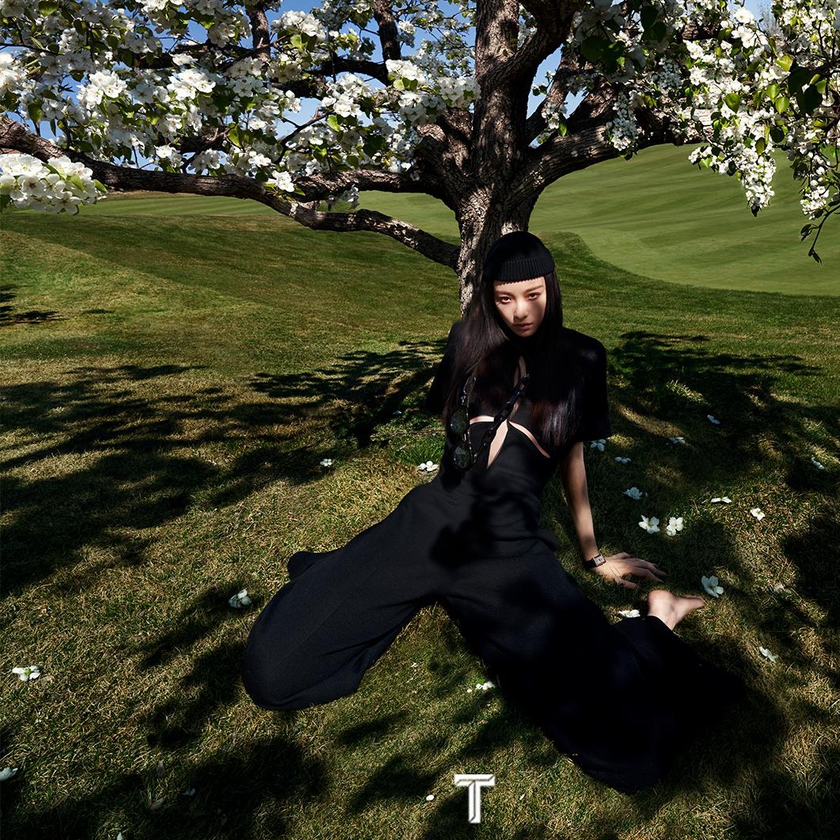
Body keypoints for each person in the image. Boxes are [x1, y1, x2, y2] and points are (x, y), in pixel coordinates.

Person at [242, 232, 741, 795]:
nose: (521, 311)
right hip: (431, 524)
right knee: (273, 675)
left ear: (551, 287)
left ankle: (660, 618)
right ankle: (356, 573)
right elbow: (450, 436)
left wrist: (594, 555)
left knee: (629, 752)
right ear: (489, 297)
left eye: (533, 294)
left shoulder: (583, 357)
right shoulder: (467, 341)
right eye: (505, 299)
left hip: (509, 547)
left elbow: (574, 461)